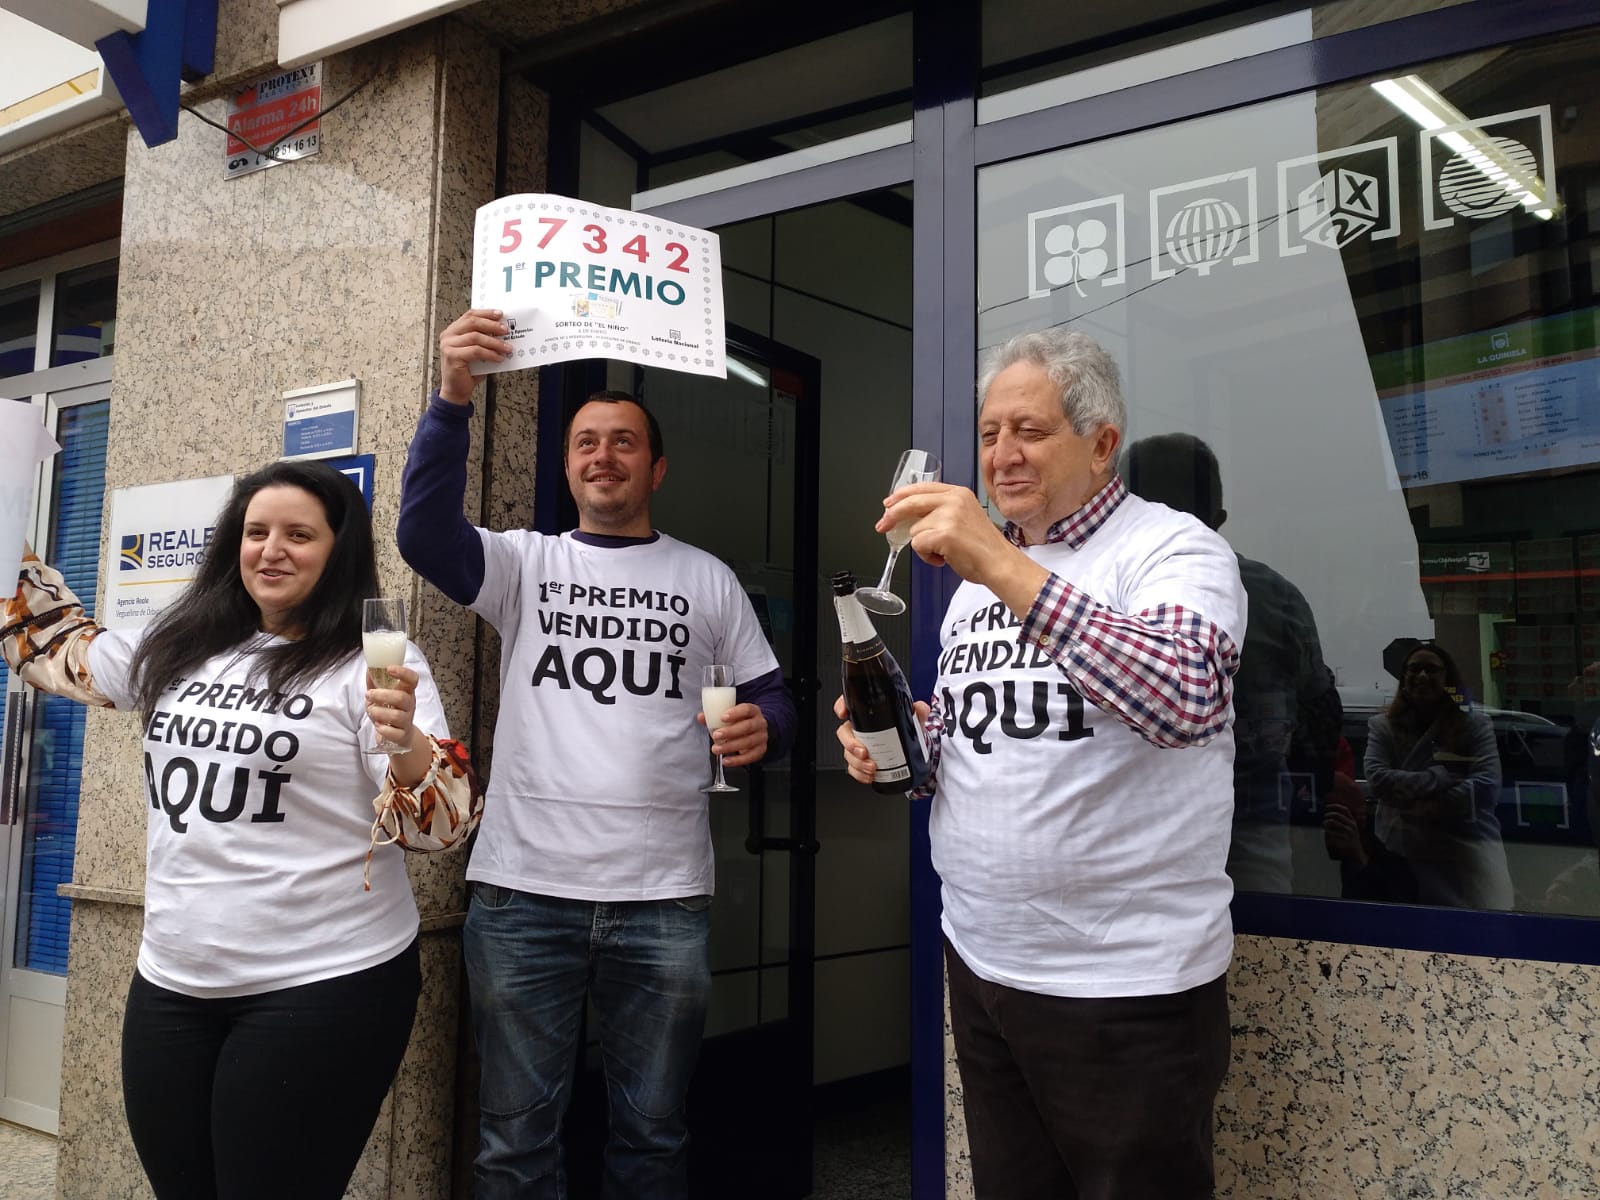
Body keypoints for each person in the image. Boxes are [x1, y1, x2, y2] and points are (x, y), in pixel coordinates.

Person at [835, 327, 1247, 1200]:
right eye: (988, 434)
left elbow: (1187, 697)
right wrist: (908, 747)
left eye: (1030, 430)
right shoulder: (976, 591)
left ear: (1101, 445)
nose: (1001, 453)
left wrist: (996, 558)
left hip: (1127, 987)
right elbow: (974, 743)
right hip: (984, 966)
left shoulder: (1172, 550)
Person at [397, 308, 797, 1199]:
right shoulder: (524, 565)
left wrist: (766, 729)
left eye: (624, 442)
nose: (603, 456)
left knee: (653, 1139)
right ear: (569, 463)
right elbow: (422, 537)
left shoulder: (707, 577)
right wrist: (454, 395)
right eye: (586, 442)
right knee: (512, 1144)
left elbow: (774, 698)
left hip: (663, 902)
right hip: (523, 896)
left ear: (654, 468)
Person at [0, 459, 478, 1200]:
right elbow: (53, 646)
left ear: (338, 550)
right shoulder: (181, 642)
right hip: (171, 981)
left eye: (299, 534)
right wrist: (11, 544)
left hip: (323, 984)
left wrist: (407, 741)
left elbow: (441, 826)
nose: (272, 549)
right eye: (256, 531)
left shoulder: (374, 662)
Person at [1123, 431, 1342, 894]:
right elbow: (1320, 708)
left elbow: (1319, 709)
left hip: (1163, 817)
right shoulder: (1276, 595)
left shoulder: (1082, 597)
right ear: (1219, 518)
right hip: (1247, 816)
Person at [1364, 640, 1512, 909]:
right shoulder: (1382, 726)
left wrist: (1433, 807)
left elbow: (1487, 785)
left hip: (1468, 852)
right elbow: (1378, 779)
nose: (1422, 675)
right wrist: (1440, 778)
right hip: (1404, 855)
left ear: (1448, 678)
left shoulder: (1475, 725)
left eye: (1431, 670)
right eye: (1414, 668)